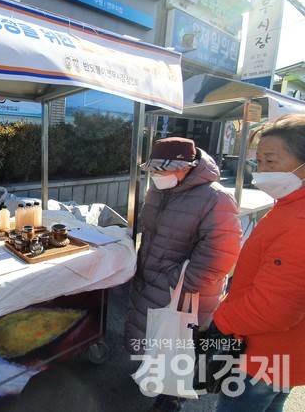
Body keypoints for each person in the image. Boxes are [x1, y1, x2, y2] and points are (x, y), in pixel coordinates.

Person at [125, 137, 242, 412]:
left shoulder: (216, 198)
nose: (156, 175)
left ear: (186, 167)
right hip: (153, 282)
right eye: (154, 170)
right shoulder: (160, 189)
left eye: (162, 170)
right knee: (156, 342)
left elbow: (218, 258)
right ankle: (155, 382)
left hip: (183, 293)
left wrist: (170, 281)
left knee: (179, 349)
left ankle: (170, 401)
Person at [210, 114, 305, 412]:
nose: (261, 171)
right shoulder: (290, 205)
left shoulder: (299, 221)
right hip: (284, 354)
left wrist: (220, 321)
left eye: (272, 161)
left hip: (263, 355)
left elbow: (274, 308)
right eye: (259, 161)